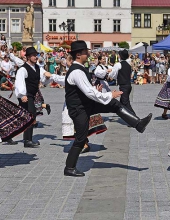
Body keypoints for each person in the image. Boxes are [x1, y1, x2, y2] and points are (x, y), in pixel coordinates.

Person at [63, 40, 152, 176]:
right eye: (86, 52)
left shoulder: (80, 69)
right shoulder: (76, 71)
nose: (88, 54)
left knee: (114, 104)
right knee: (81, 138)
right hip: (78, 109)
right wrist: (109, 94)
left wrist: (101, 93)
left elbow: (87, 90)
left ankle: (138, 124)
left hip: (86, 104)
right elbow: (89, 92)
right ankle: (69, 168)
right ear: (79, 54)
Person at [14, 47, 54, 148]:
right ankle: (27, 140)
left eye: (36, 55)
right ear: (28, 57)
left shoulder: (37, 67)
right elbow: (19, 82)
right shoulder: (23, 69)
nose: (36, 57)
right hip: (26, 95)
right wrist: (22, 95)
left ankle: (26, 139)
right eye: (33, 55)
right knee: (31, 115)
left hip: (32, 94)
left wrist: (48, 75)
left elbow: (44, 76)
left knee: (28, 116)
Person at [109, 49, 136, 115]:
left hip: (123, 86)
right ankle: (122, 114)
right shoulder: (128, 64)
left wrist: (109, 73)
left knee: (125, 102)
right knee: (122, 102)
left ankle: (135, 119)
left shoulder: (118, 65)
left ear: (120, 56)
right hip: (128, 85)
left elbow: (113, 75)